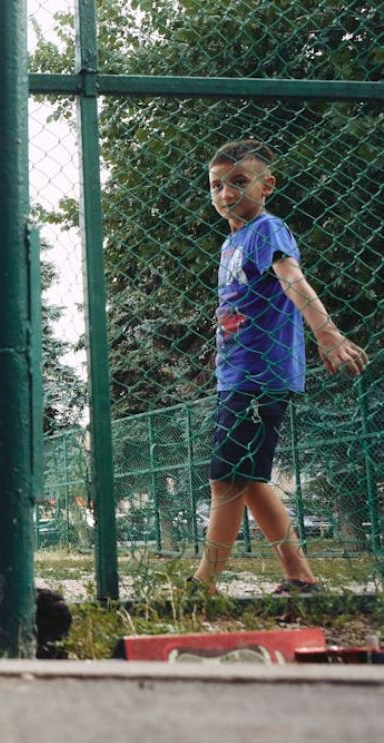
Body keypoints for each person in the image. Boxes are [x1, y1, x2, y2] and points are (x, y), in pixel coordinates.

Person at [192, 139, 368, 595]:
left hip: (259, 374)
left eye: (238, 182)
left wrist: (327, 334)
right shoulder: (233, 241)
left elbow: (291, 278)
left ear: (266, 185)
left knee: (225, 478)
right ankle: (300, 575)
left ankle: (203, 584)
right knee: (247, 480)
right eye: (216, 186)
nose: (226, 195)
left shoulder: (267, 229)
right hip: (237, 374)